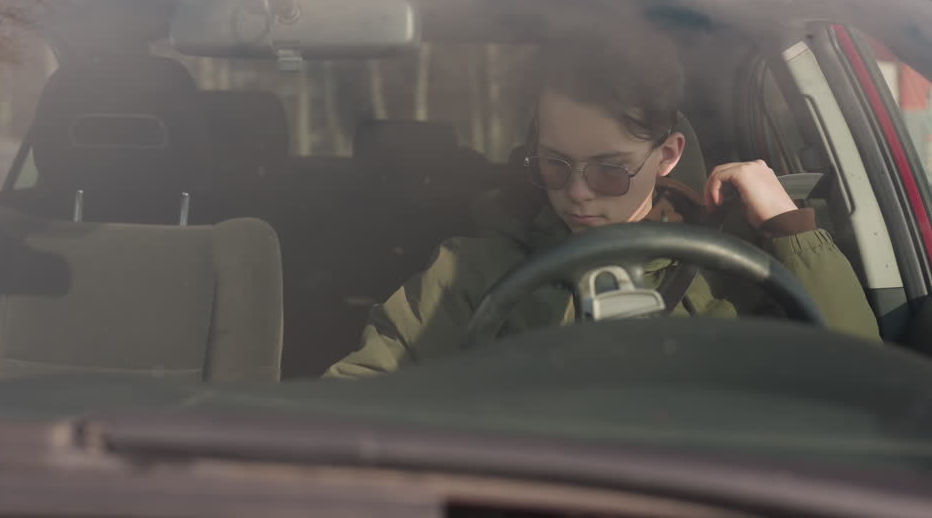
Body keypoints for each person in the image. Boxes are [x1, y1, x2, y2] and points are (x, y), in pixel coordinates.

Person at [325, 33, 880, 379]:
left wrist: (790, 230)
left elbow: (860, 388)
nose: (579, 191)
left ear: (667, 155)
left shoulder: (740, 274)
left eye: (610, 170)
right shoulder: (471, 271)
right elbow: (362, 395)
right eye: (554, 164)